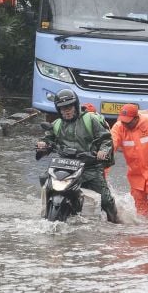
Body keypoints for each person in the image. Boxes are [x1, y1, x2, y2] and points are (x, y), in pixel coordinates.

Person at [36, 89, 121, 223]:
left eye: (69, 107)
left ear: (75, 106)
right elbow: (49, 139)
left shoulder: (90, 119)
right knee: (44, 179)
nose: (66, 111)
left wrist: (103, 151)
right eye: (62, 109)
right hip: (64, 165)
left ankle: (116, 222)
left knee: (105, 200)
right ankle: (44, 213)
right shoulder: (57, 124)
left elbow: (106, 139)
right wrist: (43, 145)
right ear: (58, 110)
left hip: (90, 166)